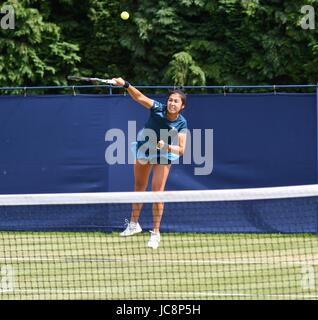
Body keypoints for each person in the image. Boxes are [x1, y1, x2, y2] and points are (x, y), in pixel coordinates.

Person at [112, 78, 188, 249]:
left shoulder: (182, 123)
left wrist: (166, 146)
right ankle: (133, 225)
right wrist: (125, 84)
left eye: (176, 101)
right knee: (139, 188)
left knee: (157, 193)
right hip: (145, 149)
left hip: (164, 154)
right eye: (170, 100)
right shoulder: (157, 108)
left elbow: (182, 150)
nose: (172, 103)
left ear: (182, 106)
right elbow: (139, 97)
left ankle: (155, 233)